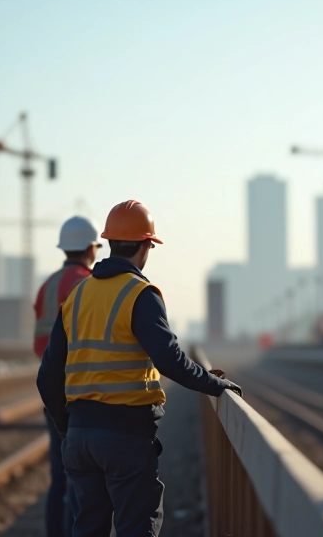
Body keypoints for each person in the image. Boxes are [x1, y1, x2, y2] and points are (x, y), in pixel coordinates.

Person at [37, 200, 242, 537]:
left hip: (79, 439)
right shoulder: (140, 294)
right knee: (136, 527)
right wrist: (215, 385)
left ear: (111, 243)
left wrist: (67, 427)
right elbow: (169, 359)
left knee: (86, 528)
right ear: (146, 245)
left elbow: (47, 378)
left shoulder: (78, 295)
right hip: (125, 436)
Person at [34, 215, 102, 537]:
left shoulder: (47, 286)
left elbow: (39, 344)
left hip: (51, 390)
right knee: (82, 481)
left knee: (58, 477)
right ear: (91, 248)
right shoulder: (88, 284)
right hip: (79, 392)